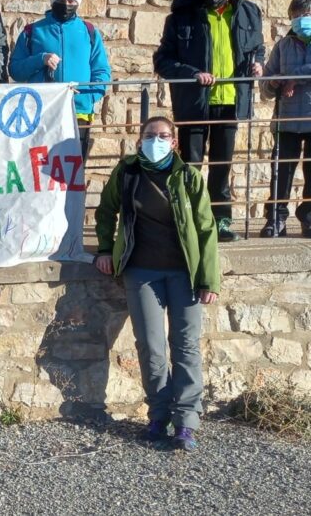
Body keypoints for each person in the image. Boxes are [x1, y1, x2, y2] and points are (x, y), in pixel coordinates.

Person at [94, 116, 220, 452]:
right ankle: (158, 414)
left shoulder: (188, 177)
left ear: (175, 142)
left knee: (186, 346)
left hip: (185, 274)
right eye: (150, 135)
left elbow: (207, 230)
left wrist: (209, 278)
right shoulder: (128, 172)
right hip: (141, 272)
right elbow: (106, 211)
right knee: (150, 347)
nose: (157, 140)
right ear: (140, 139)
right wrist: (105, 249)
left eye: (164, 135)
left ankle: (186, 422)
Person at [154, 0, 265, 241]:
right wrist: (192, 74)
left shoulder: (249, 13)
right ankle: (189, 219)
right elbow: (163, 61)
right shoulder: (181, 18)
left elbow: (257, 46)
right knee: (191, 165)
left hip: (230, 102)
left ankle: (221, 221)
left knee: (222, 165)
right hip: (194, 103)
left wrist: (258, 64)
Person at [10, 0, 111, 160]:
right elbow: (15, 70)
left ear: (77, 2)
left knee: (74, 174)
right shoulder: (32, 31)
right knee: (39, 172)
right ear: (53, 0)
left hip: (79, 114)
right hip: (41, 113)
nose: (67, 4)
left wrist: (89, 96)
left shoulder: (89, 32)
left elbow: (101, 71)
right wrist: (40, 59)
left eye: (71, 0)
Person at [260, 0, 311, 238]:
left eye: (306, 15)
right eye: (297, 16)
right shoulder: (283, 45)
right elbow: (266, 82)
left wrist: (294, 77)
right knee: (281, 172)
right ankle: (276, 217)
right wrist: (273, 83)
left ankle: (308, 217)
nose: (301, 20)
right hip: (286, 119)